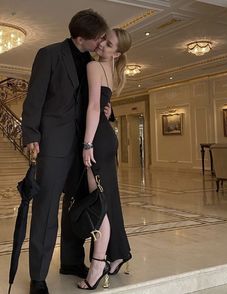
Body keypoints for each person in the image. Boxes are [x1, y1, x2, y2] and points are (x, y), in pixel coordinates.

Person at [21, 9, 110, 294]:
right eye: (97, 38)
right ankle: (38, 277)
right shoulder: (49, 54)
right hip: (54, 146)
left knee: (78, 206)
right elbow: (34, 97)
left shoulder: (92, 63)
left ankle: (71, 261)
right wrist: (31, 134)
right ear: (81, 37)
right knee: (45, 210)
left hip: (83, 148)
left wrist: (110, 111)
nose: (101, 42)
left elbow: (94, 101)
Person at [77, 28, 132, 290]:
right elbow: (105, 109)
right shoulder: (110, 70)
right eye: (102, 40)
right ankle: (119, 253)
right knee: (108, 197)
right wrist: (108, 117)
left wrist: (87, 143)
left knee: (99, 202)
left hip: (98, 140)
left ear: (117, 52)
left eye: (108, 45)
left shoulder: (93, 66)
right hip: (107, 137)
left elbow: (94, 107)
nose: (101, 46)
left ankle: (98, 264)